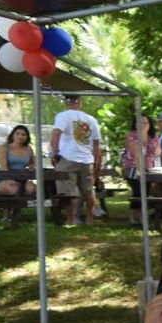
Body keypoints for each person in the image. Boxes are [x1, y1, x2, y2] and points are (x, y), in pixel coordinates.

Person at [50, 93, 102, 226]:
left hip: (68, 157)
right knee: (88, 191)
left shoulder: (63, 116)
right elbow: (96, 142)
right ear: (80, 103)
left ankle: (71, 218)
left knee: (68, 191)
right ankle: (90, 218)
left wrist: (54, 153)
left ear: (66, 103)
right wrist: (96, 160)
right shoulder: (91, 119)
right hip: (86, 160)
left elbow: (56, 133)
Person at [0, 123, 36, 198]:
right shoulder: (4, 148)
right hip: (5, 178)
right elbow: (3, 167)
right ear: (12, 135)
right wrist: (10, 179)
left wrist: (30, 172)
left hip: (22, 178)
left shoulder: (29, 149)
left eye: (23, 135)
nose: (20, 136)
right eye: (17, 134)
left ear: (27, 137)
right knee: (14, 189)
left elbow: (32, 163)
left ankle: (14, 208)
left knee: (31, 189)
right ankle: (8, 207)